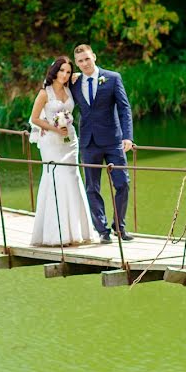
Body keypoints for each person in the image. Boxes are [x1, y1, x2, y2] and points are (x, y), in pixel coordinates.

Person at [69, 44, 134, 244]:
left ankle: (119, 227)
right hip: (88, 142)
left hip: (114, 141)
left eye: (87, 59)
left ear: (94, 57)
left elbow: (124, 108)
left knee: (123, 184)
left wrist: (128, 137)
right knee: (92, 188)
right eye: (80, 61)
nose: (85, 64)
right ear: (77, 64)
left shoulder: (113, 78)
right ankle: (102, 230)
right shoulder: (74, 83)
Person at [28, 56, 95, 247]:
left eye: (67, 71)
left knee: (73, 177)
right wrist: (55, 128)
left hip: (70, 140)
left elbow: (85, 76)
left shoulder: (70, 87)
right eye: (61, 71)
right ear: (54, 71)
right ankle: (57, 234)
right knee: (57, 178)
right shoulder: (44, 93)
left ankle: (79, 231)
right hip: (52, 141)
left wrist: (76, 75)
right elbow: (34, 119)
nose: (64, 75)